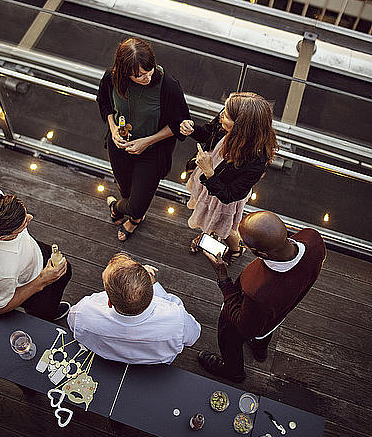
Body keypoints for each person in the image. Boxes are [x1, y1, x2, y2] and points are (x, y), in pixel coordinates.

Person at [198, 211, 326, 382]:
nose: (241, 244)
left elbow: (244, 327)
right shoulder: (313, 238)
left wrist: (223, 279)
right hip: (280, 311)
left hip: (242, 314)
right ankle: (259, 349)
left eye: (243, 245)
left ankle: (232, 371)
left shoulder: (260, 292)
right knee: (266, 328)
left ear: (263, 254)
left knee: (229, 339)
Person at [97, 37, 189, 241]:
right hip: (120, 146)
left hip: (153, 151)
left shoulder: (168, 86)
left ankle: (126, 213)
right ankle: (128, 211)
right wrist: (112, 129)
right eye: (138, 76)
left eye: (149, 71)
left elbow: (179, 124)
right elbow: (104, 103)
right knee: (125, 188)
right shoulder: (112, 77)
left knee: (137, 204)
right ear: (123, 71)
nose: (147, 78)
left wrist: (146, 141)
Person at [180, 92, 277, 263]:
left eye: (225, 116)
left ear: (240, 126)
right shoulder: (230, 116)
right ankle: (207, 235)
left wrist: (209, 172)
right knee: (209, 218)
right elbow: (207, 133)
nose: (221, 117)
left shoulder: (256, 160)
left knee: (226, 226)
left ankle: (235, 249)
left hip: (221, 194)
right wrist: (191, 129)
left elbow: (229, 195)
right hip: (210, 179)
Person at [68, 253, 201, 364]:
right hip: (155, 366)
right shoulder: (177, 319)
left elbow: (72, 323)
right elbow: (193, 336)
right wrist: (154, 286)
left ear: (109, 302)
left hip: (102, 358)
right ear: (151, 296)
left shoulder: (83, 312)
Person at [0, 187, 72, 321]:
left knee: (66, 273)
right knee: (43, 312)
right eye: (24, 224)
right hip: (31, 284)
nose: (30, 217)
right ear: (2, 237)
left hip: (35, 251)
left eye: (24, 212)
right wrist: (42, 280)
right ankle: (48, 315)